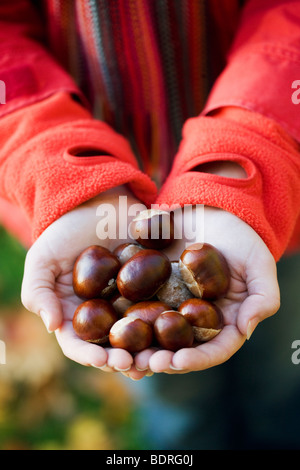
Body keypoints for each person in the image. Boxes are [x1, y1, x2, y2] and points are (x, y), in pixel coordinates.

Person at [0, 0, 299, 381]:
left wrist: (243, 157)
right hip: (79, 170)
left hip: (269, 208)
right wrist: (66, 180)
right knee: (173, 391)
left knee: (276, 349)